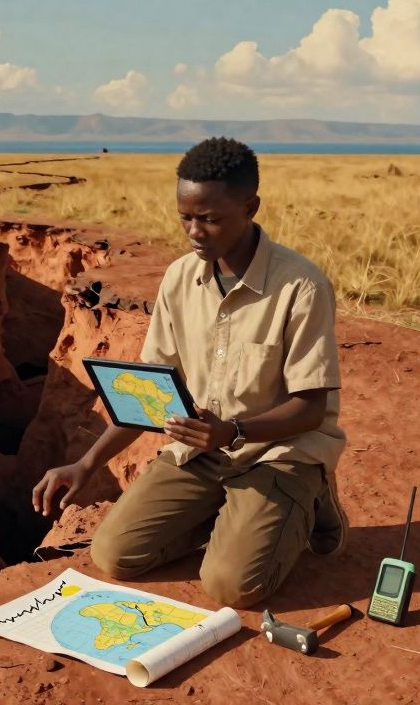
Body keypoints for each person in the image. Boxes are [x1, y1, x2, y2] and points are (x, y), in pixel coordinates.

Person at [31, 137, 348, 608]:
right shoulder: (179, 278)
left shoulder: (300, 285)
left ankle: (312, 497)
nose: (195, 231)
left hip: (279, 450)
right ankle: (235, 513)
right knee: (115, 553)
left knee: (233, 587)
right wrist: (87, 463)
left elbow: (311, 408)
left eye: (210, 218)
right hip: (201, 451)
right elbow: (149, 392)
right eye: (186, 217)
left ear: (250, 207)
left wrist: (233, 430)